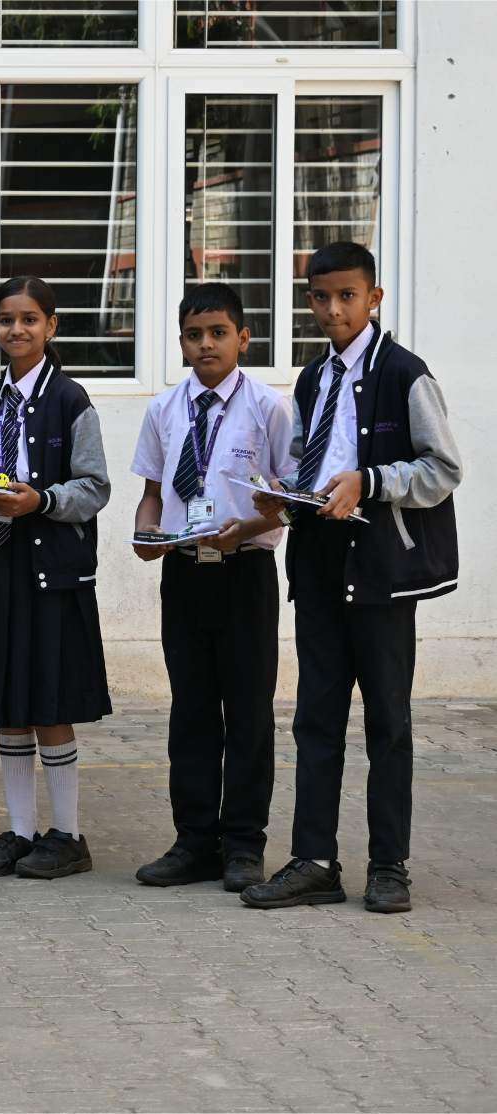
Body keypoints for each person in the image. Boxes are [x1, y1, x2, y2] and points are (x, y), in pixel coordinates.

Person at [242, 242, 461, 915]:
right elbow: (306, 458)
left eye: (347, 296)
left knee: (388, 721)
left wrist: (371, 481)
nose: (333, 309)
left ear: (374, 298)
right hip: (318, 564)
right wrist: (285, 492)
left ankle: (389, 865)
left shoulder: (405, 374)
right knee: (316, 719)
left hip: (381, 570)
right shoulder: (314, 378)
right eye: (321, 297)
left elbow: (442, 469)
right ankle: (314, 861)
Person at [129, 282, 294, 893]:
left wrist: (245, 528)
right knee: (191, 709)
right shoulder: (164, 409)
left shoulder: (269, 408)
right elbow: (152, 493)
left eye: (219, 333)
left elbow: (289, 500)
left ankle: (244, 844)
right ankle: (194, 840)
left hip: (244, 571)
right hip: (183, 571)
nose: (206, 344)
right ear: (180, 343)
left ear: (243, 338)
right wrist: (146, 533)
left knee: (247, 711)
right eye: (194, 335)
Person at [0, 276, 111, 881]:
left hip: (51, 570)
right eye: (5, 320)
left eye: (29, 319)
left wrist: (40, 500)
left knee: (49, 698)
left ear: (51, 326)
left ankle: (67, 834)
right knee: (7, 702)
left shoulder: (71, 400)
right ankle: (20, 832)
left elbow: (95, 487)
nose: (16, 329)